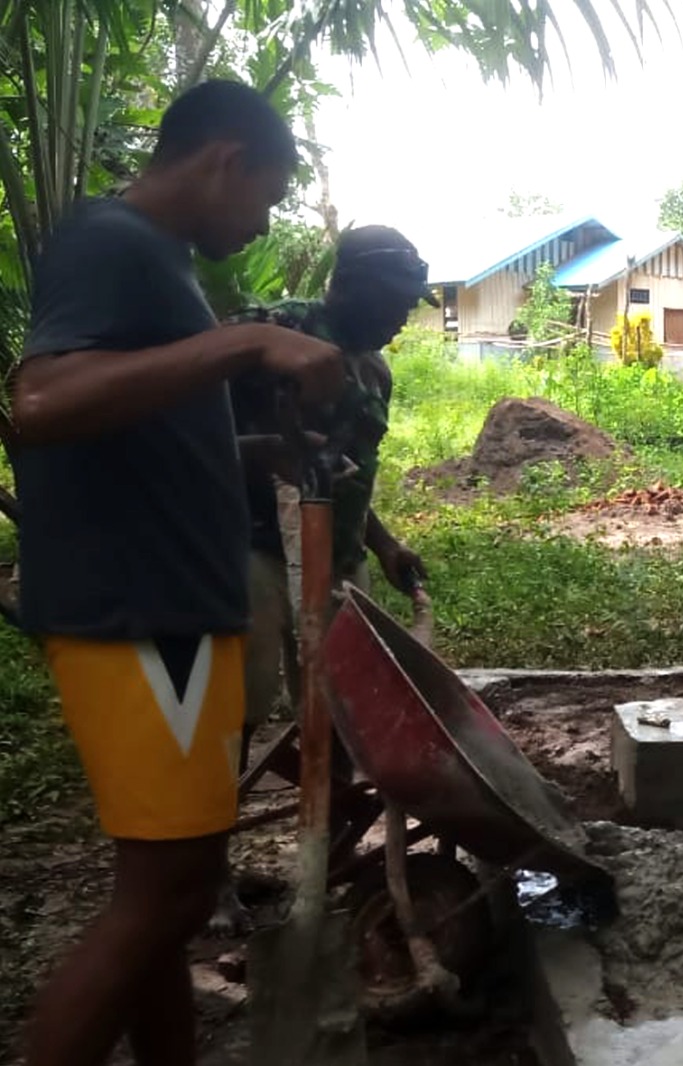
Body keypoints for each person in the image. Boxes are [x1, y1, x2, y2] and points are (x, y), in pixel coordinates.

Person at [6, 80, 343, 1066]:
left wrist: (253, 451)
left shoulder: (157, 260)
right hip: (143, 615)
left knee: (159, 894)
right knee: (171, 894)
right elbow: (40, 402)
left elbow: (132, 426)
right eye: (267, 197)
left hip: (162, 608)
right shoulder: (111, 242)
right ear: (227, 160)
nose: (264, 223)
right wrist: (247, 339)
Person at [209, 226, 434, 933]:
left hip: (335, 560)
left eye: (411, 304)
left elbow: (347, 476)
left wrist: (385, 544)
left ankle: (326, 857)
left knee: (339, 712)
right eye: (395, 301)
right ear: (351, 284)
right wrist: (264, 452)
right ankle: (209, 878)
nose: (403, 317)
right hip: (253, 551)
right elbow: (186, 430)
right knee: (238, 713)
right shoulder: (276, 332)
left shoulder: (374, 371)